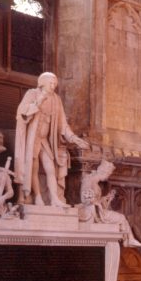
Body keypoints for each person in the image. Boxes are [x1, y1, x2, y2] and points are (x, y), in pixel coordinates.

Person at [14, 72, 88, 206]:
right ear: (42, 83)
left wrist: (74, 138)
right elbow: (21, 111)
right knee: (34, 169)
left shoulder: (56, 99)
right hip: (32, 140)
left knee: (50, 169)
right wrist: (39, 102)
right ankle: (37, 198)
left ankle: (54, 199)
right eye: (50, 83)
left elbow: (62, 124)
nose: (53, 86)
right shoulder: (32, 93)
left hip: (44, 141)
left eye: (55, 84)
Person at [79, 159, 141, 247]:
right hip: (94, 213)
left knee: (121, 218)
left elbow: (95, 200)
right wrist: (95, 201)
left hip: (98, 211)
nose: (107, 178)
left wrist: (105, 198)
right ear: (103, 172)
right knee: (121, 218)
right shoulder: (89, 181)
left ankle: (128, 240)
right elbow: (85, 199)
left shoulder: (94, 183)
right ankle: (129, 240)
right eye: (108, 175)